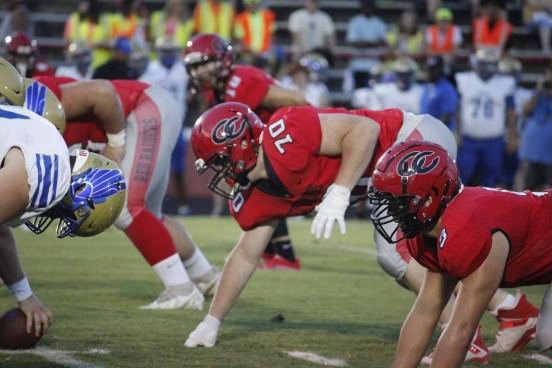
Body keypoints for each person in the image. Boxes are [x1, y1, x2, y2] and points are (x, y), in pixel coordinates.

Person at [34, 75, 220, 310]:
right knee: (150, 217)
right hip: (149, 111)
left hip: (142, 109)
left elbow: (102, 93)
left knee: (124, 207)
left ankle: (180, 290)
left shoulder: (29, 101)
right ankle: (205, 276)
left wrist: (115, 143)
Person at [367, 140, 552, 367]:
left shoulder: (470, 228)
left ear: (428, 198)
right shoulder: (432, 229)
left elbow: (462, 328)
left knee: (550, 333)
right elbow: (425, 312)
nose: (392, 211)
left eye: (398, 202)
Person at [0, 58, 126, 338]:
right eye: (73, 221)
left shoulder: (46, 134)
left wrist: (24, 294)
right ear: (80, 200)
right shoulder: (49, 179)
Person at [183, 33, 307, 270]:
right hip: (264, 142)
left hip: (288, 136)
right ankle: (273, 254)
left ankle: (286, 256)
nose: (199, 72)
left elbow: (298, 100)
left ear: (222, 59)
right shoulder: (214, 89)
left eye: (204, 63)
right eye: (195, 66)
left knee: (264, 191)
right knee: (254, 190)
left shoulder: (243, 79)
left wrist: (278, 134)